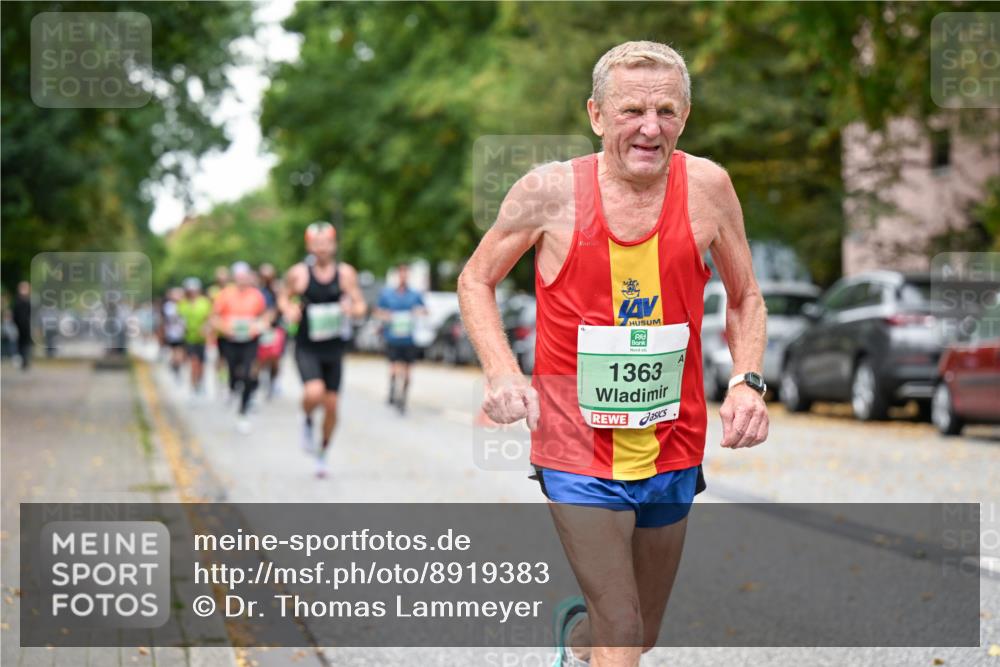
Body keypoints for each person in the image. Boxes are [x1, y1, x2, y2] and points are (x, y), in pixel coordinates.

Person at [456, 41, 768, 667]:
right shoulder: (547, 193)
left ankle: (574, 650)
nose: (649, 128)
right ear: (597, 115)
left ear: (684, 116)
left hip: (672, 442)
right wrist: (501, 371)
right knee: (622, 629)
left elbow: (745, 296)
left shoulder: (708, 188)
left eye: (666, 111)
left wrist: (747, 381)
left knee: (636, 634)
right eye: (631, 111)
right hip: (575, 446)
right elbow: (475, 279)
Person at [280, 222, 367, 478]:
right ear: (309, 246)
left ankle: (323, 452)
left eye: (326, 243)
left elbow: (361, 305)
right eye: (316, 244)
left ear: (334, 244)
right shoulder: (299, 274)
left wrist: (352, 310)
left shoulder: (346, 273)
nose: (321, 249)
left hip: (334, 348)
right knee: (313, 392)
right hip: (307, 346)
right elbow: (283, 297)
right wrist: (288, 309)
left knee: (332, 407)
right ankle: (306, 418)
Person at [211, 262, 271, 433]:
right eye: (239, 277)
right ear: (234, 278)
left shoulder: (256, 295)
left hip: (250, 340)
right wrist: (224, 328)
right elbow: (214, 317)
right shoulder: (224, 295)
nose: (242, 281)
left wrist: (261, 325)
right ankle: (231, 387)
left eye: (245, 277)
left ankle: (243, 412)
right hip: (230, 340)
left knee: (247, 374)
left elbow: (264, 315)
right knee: (233, 372)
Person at [376, 263, 427, 413]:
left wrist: (419, 312)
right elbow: (378, 311)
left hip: (409, 338)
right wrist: (386, 316)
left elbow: (425, 310)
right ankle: (393, 389)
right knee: (394, 368)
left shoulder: (415, 294)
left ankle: (402, 397)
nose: (403, 277)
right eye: (401, 273)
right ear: (397, 275)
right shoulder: (387, 294)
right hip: (393, 337)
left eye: (406, 274)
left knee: (408, 371)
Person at [177, 277, 212, 397]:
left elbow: (210, 318)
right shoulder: (183, 303)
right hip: (189, 338)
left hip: (201, 338)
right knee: (193, 362)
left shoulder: (204, 302)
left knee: (201, 363)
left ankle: (200, 382)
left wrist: (206, 328)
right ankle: (192, 385)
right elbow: (179, 319)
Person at [257, 263, 286, 399]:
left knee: (275, 357)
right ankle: (261, 380)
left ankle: (274, 380)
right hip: (260, 328)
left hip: (275, 328)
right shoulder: (257, 291)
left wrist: (272, 316)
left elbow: (281, 306)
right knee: (261, 358)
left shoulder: (277, 290)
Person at [161, 287, 187, 380]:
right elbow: (173, 317)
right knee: (176, 352)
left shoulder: (183, 304)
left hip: (182, 333)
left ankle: (176, 367)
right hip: (172, 334)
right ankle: (175, 367)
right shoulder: (169, 306)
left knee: (180, 353)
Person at [12, 281, 32, 371]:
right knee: (21, 343)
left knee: (26, 343)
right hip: (19, 326)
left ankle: (25, 361)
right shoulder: (18, 300)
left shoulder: (29, 300)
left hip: (27, 326)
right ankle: (23, 360)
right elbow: (15, 315)